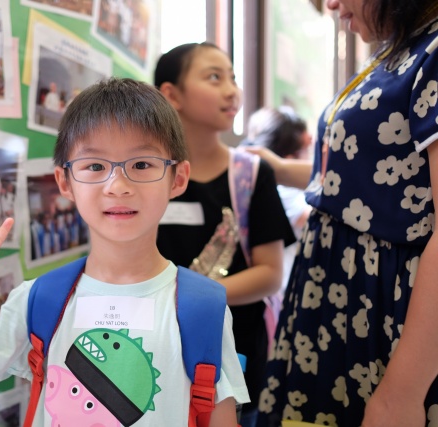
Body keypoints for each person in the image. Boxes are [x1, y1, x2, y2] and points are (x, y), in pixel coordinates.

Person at [0, 77, 249, 426]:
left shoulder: (204, 308)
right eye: (95, 166)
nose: (118, 186)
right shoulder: (39, 299)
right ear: (65, 182)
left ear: (178, 178)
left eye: (142, 164)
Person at [247, 1, 438, 426]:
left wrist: (401, 393)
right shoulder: (400, 48)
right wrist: (275, 168)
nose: (331, 4)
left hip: (382, 309)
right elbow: (360, 174)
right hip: (336, 297)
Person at [154, 42, 296, 427]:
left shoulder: (251, 174)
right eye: (214, 78)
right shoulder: (147, 172)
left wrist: (185, 299)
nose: (232, 91)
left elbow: (270, 274)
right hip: (156, 353)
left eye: (233, 78)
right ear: (172, 95)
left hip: (235, 360)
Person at [241, 106, 313, 294]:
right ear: (290, 156)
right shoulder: (282, 191)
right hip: (282, 289)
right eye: (306, 149)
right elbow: (313, 215)